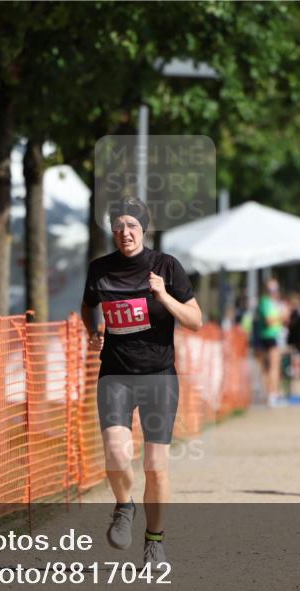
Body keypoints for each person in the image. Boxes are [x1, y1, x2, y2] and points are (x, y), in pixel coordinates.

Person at [81, 196, 203, 567]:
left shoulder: (165, 266)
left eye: (132, 226)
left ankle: (155, 540)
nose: (125, 233)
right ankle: (123, 506)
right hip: (115, 374)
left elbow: (195, 320)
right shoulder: (100, 269)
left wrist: (164, 296)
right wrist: (93, 329)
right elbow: (88, 304)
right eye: (118, 226)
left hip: (158, 376)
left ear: (144, 229)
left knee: (154, 465)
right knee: (117, 454)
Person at [255, 278, 286, 406]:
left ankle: (272, 393)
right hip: (269, 337)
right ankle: (271, 395)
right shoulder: (265, 302)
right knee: (271, 367)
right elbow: (269, 321)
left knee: (271, 368)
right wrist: (282, 315)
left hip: (272, 336)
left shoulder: (272, 303)